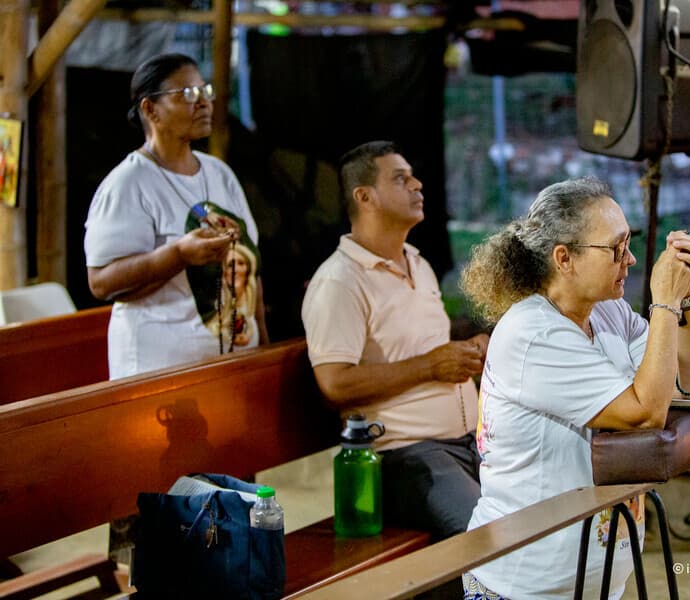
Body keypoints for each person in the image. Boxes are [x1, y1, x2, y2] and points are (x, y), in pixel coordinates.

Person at [459, 176, 690, 600]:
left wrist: (686, 301)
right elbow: (646, 410)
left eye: (629, 244)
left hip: (588, 584)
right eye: (616, 248)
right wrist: (664, 302)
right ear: (564, 259)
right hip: (522, 587)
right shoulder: (533, 333)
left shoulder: (609, 312)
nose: (629, 259)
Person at [300, 141, 487, 546]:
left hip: (469, 443)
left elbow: (424, 349)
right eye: (401, 179)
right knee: (489, 539)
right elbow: (334, 384)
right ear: (364, 197)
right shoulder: (339, 281)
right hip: (405, 458)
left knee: (542, 516)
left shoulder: (417, 262)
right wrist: (431, 366)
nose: (418, 185)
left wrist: (469, 350)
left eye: (413, 176)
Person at [84, 53, 268, 379]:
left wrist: (264, 349)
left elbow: (251, 269)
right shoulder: (129, 184)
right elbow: (100, 281)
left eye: (205, 91)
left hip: (236, 364)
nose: (204, 103)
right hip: (160, 373)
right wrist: (178, 254)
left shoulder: (219, 173)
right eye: (187, 95)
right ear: (150, 109)